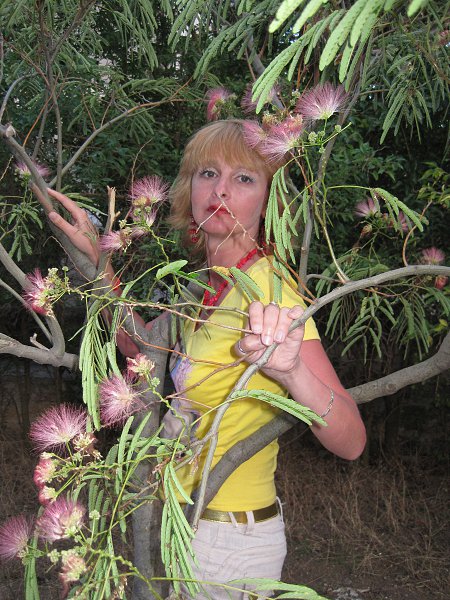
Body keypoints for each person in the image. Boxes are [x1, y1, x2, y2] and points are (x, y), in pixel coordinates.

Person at [46, 119, 366, 599]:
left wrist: (292, 370)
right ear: (189, 187)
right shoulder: (201, 287)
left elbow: (352, 440)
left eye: (244, 178)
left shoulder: (271, 294)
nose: (221, 189)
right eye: (208, 173)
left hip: (228, 540)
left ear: (268, 200)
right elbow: (141, 349)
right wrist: (98, 259)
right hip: (177, 524)